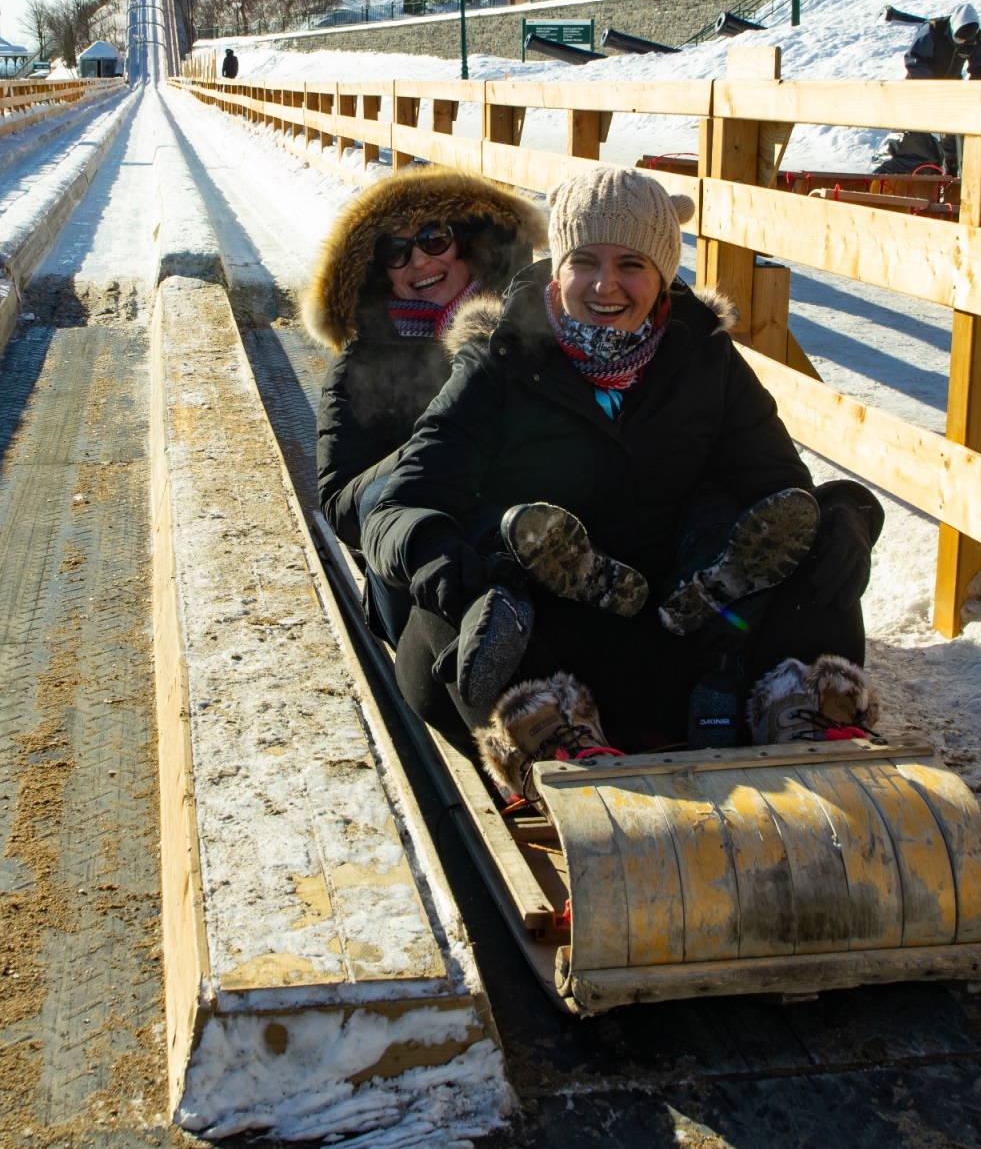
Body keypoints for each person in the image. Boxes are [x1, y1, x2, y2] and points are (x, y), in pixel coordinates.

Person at [364, 165, 887, 782]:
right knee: (472, 602)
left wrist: (850, 514)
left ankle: (798, 706)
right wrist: (449, 567)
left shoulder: (703, 358)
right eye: (584, 260)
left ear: (663, 275)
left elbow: (777, 490)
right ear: (558, 270)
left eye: (632, 264)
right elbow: (397, 507)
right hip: (554, 639)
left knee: (820, 541)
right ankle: (551, 733)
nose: (605, 284)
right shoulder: (500, 362)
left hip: (678, 628)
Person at [309, 169, 543, 644]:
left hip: (529, 537)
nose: (417, 259)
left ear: (470, 244)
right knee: (386, 500)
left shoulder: (528, 328)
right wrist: (439, 444)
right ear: (380, 272)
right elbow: (339, 503)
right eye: (394, 251)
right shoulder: (362, 362)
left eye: (434, 237)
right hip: (418, 571)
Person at [872, 4, 981, 176]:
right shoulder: (933, 29)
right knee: (915, 133)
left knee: (952, 130)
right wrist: (933, 86)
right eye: (959, 38)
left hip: (951, 89)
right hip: (920, 87)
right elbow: (914, 60)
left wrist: (974, 88)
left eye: (966, 40)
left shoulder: (976, 37)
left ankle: (952, 171)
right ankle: (905, 169)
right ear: (953, 27)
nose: (963, 42)